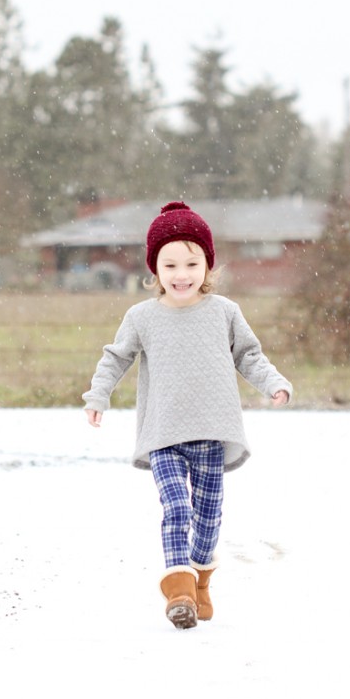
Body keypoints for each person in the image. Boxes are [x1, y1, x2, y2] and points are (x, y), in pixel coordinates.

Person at [83, 201, 292, 630]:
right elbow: (115, 358)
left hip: (213, 432)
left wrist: (273, 382)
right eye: (170, 264)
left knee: (208, 518)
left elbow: (248, 355)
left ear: (207, 266)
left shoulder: (224, 313)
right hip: (164, 434)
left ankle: (200, 581)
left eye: (191, 263)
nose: (182, 274)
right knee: (176, 507)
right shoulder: (141, 318)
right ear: (154, 270)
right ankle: (178, 592)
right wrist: (98, 395)